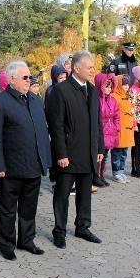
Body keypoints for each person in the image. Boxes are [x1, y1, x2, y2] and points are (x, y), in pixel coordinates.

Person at [0, 60, 51, 260]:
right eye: (25, 77)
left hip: (33, 164)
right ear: (12, 79)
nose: (29, 80)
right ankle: (7, 245)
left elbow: (42, 131)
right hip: (11, 167)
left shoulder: (35, 99)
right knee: (8, 210)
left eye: (30, 77)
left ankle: (27, 240)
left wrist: (45, 159)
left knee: (29, 208)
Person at [46, 51, 105, 246]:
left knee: (84, 194)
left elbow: (98, 122)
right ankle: (59, 231)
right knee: (62, 195)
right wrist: (61, 153)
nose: (93, 71)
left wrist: (99, 148)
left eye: (93, 67)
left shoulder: (92, 90)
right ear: (77, 69)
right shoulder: (61, 90)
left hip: (88, 153)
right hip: (69, 155)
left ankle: (83, 227)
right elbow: (56, 126)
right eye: (90, 67)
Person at [93, 73, 120, 188]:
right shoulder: (97, 100)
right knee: (98, 155)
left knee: (105, 155)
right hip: (101, 132)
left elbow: (117, 115)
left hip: (110, 131)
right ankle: (96, 176)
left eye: (110, 87)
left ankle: (101, 175)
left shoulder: (113, 100)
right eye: (106, 86)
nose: (108, 89)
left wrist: (116, 127)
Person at [110, 75, 136, 183]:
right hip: (119, 129)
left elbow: (131, 112)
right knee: (117, 152)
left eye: (127, 84)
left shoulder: (127, 96)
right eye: (124, 84)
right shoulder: (114, 96)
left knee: (124, 152)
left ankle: (121, 171)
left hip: (127, 130)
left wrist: (133, 124)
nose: (126, 87)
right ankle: (116, 173)